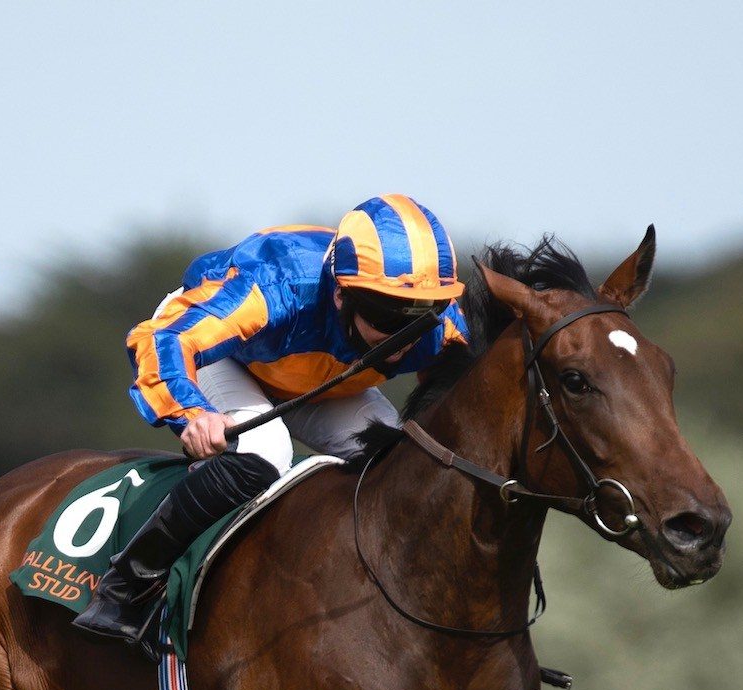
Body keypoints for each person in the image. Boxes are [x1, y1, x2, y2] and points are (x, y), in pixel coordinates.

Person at [73, 194, 469, 648]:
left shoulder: (440, 324)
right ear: (341, 293)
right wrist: (194, 415)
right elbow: (163, 339)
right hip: (225, 356)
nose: (404, 336)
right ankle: (126, 586)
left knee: (404, 463)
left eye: (422, 315)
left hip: (323, 377)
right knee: (266, 451)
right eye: (386, 314)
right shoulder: (275, 288)